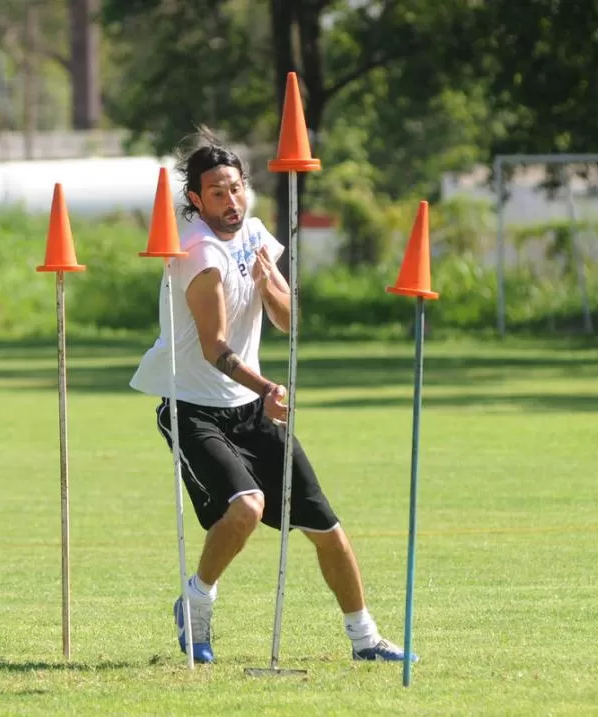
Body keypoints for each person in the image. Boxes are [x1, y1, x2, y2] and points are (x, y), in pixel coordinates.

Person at [129, 138, 416, 665]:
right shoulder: (200, 254)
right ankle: (194, 604)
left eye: (237, 189)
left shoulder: (255, 235)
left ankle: (366, 640)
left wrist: (269, 284)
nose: (231, 201)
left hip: (251, 406)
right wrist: (270, 388)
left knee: (326, 528)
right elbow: (216, 347)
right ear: (196, 198)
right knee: (247, 507)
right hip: (192, 405)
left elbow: (289, 320)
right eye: (217, 193)